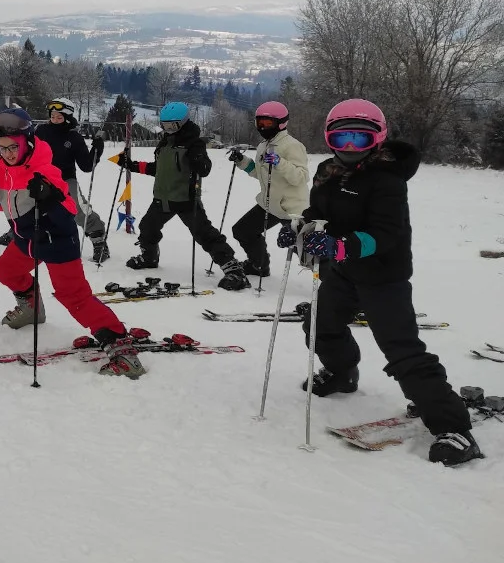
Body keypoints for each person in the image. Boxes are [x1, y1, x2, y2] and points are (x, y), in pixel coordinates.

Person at [278, 98, 478, 466]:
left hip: (383, 275)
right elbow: (318, 211)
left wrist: (339, 245)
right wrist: (299, 226)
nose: (350, 147)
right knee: (319, 323)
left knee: (402, 349)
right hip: (343, 270)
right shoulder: (326, 171)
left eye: (360, 138)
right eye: (342, 139)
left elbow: (386, 234)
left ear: (378, 138)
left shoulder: (387, 180)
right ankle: (342, 373)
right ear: (330, 139)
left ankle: (455, 428)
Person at [0, 108, 142, 376]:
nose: (7, 153)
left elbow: (68, 209)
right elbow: (4, 206)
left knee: (73, 297)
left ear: (27, 143)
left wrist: (51, 200)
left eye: (13, 147)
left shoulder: (45, 171)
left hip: (55, 241)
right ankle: (31, 309)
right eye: (2, 147)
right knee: (6, 271)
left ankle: (120, 345)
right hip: (26, 239)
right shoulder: (1, 169)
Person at [120, 102, 249, 291]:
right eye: (164, 125)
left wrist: (197, 160)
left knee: (204, 234)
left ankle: (234, 269)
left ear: (183, 123)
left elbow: (205, 170)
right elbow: (159, 169)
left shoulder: (194, 143)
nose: (168, 129)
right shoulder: (165, 142)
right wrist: (132, 165)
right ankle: (149, 258)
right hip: (162, 198)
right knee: (147, 227)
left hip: (186, 200)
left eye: (172, 126)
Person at [225, 100, 309, 277]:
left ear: (281, 123)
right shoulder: (264, 145)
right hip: (269, 204)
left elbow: (301, 177)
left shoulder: (292, 145)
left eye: (268, 123)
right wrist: (242, 161)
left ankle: (337, 283)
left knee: (304, 249)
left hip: (291, 209)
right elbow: (260, 173)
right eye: (259, 122)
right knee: (243, 230)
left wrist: (280, 162)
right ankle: (259, 265)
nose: (262, 126)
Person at [34, 97, 110, 263]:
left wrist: (97, 148)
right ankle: (21, 235)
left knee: (77, 209)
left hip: (65, 178)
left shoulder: (74, 137)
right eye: (52, 116)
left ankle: (99, 241)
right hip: (41, 177)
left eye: (59, 117)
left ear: (67, 118)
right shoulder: (41, 131)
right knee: (30, 205)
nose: (54, 120)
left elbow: (86, 166)